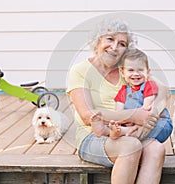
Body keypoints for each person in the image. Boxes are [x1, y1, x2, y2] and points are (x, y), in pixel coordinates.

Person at [67, 19, 169, 184]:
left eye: (122, 43)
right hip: (93, 136)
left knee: (156, 148)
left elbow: (163, 90)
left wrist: (152, 114)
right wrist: (133, 115)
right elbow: (87, 115)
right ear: (97, 40)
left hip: (129, 133)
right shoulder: (80, 71)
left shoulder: (128, 70)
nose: (114, 47)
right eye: (110, 39)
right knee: (131, 147)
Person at [90, 48, 173, 142]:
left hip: (152, 122)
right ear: (122, 72)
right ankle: (109, 130)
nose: (136, 74)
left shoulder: (149, 85)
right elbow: (118, 112)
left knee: (153, 126)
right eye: (131, 70)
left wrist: (136, 123)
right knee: (114, 124)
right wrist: (119, 122)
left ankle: (115, 133)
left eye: (140, 70)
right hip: (132, 122)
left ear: (148, 72)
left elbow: (146, 109)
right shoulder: (124, 90)